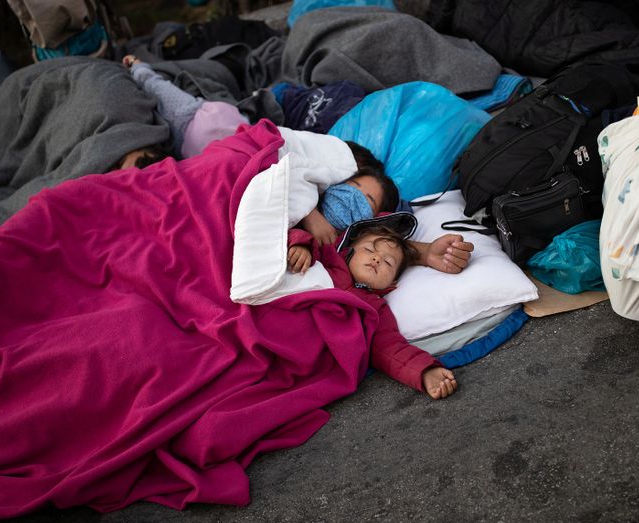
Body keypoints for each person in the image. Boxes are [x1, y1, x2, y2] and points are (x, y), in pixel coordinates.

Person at [124, 54, 475, 274]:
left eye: (366, 201)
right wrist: (311, 212)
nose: (354, 199)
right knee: (157, 103)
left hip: (210, 158)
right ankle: (139, 68)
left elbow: (378, 239)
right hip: (219, 137)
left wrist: (423, 251)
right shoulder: (310, 188)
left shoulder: (338, 234)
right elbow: (278, 161)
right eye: (353, 188)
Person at [287, 214, 458, 399]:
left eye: (388, 262)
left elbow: (390, 348)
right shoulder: (323, 258)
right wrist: (300, 246)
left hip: (303, 359)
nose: (377, 258)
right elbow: (276, 237)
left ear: (391, 283)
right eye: (369, 249)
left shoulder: (375, 309)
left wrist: (423, 371)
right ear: (347, 250)